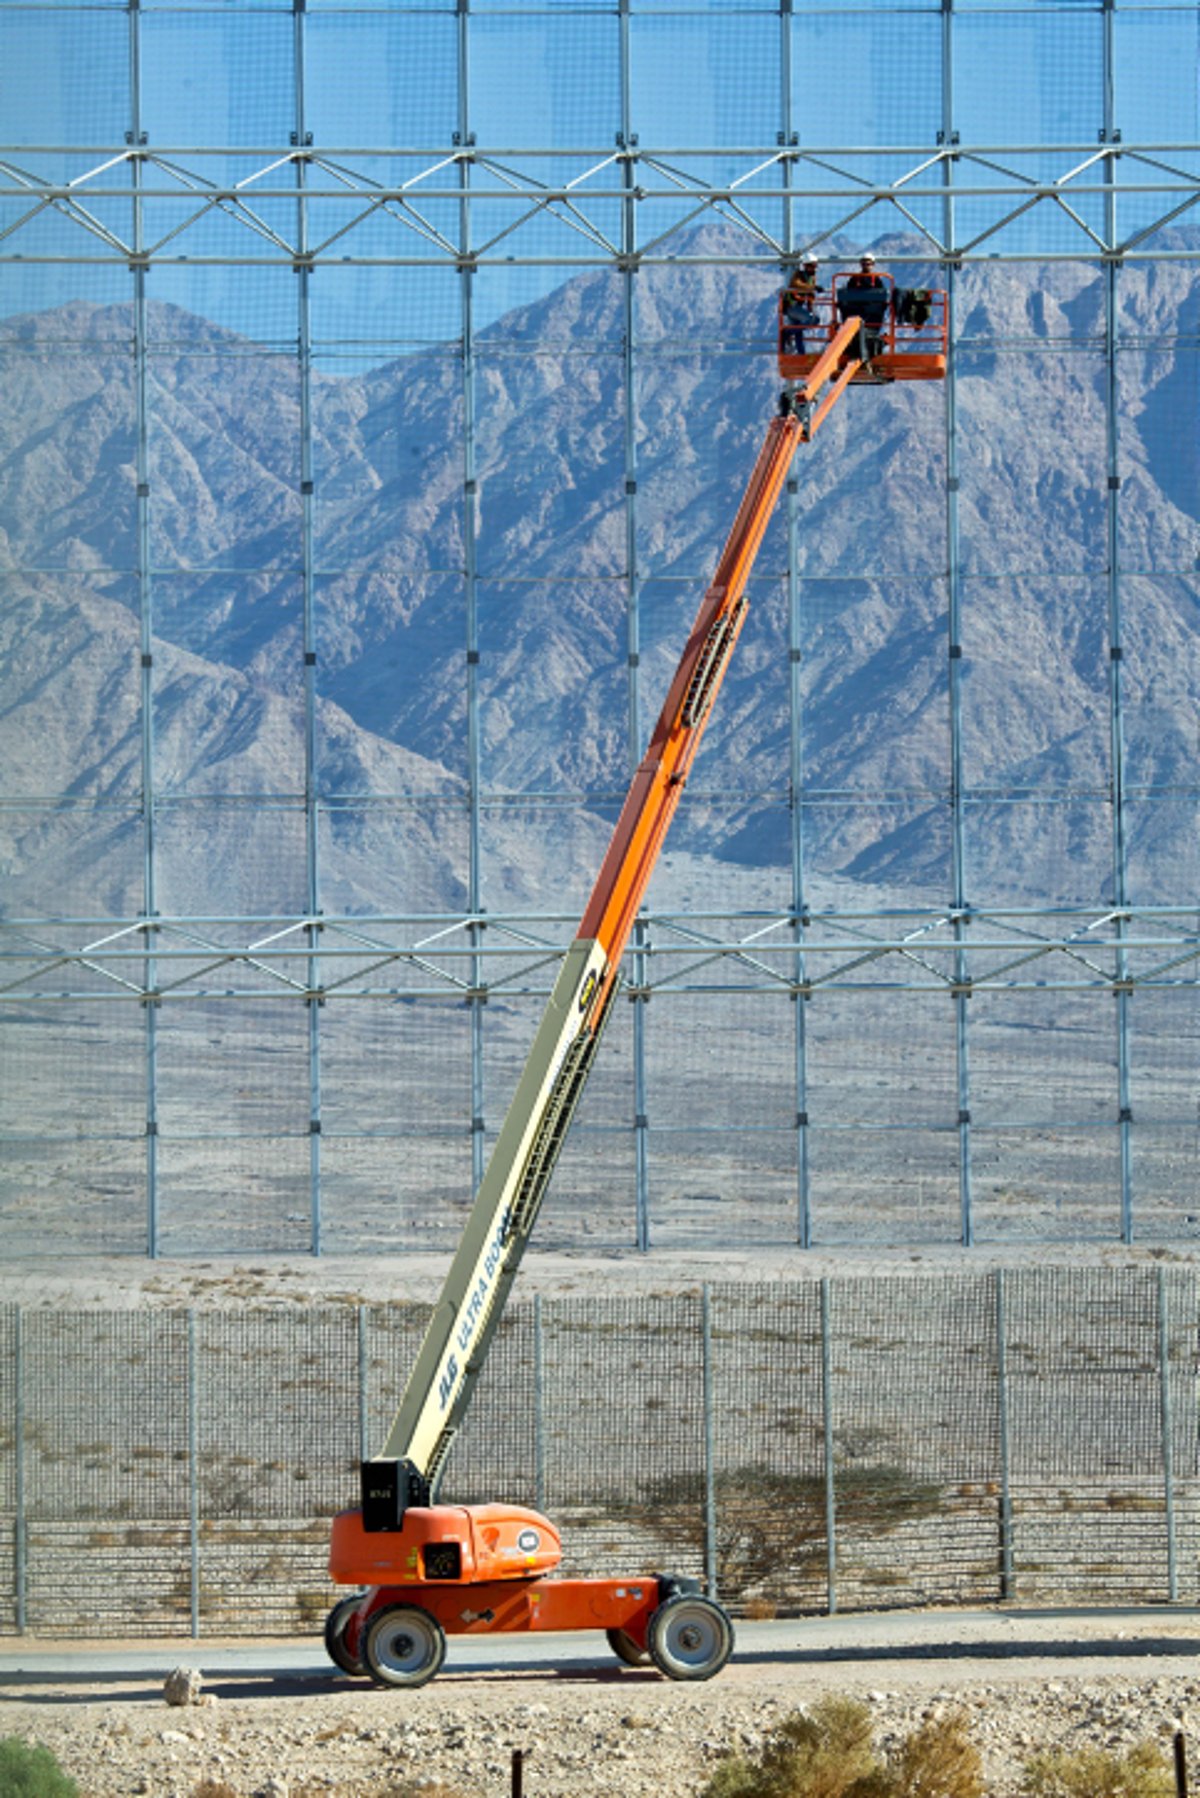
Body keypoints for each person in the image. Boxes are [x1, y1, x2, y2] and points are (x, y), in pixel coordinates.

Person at [844, 252, 888, 359]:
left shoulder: (877, 280)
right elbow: (848, 295)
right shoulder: (854, 279)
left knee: (871, 331)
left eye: (868, 264)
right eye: (864, 264)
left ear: (872, 265)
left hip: (873, 313)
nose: (866, 266)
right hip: (856, 312)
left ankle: (869, 349)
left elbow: (882, 297)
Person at [781, 256, 822, 354]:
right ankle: (787, 333)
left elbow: (810, 295)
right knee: (813, 319)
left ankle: (801, 353)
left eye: (815, 266)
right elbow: (796, 284)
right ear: (805, 266)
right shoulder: (798, 275)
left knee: (798, 331)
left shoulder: (812, 278)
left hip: (798, 307)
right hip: (792, 306)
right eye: (812, 266)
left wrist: (810, 306)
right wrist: (813, 287)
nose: (814, 269)